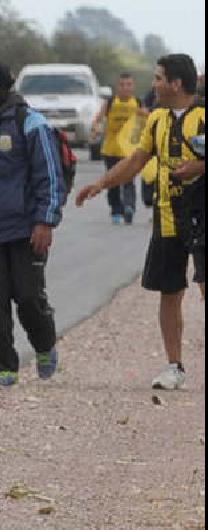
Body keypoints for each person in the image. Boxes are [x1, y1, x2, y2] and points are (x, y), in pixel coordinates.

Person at [76, 53, 205, 390]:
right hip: (166, 216)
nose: (155, 84)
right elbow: (136, 161)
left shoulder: (204, 115)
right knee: (169, 290)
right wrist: (101, 184)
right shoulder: (157, 119)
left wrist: (200, 167)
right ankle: (174, 366)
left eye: (159, 78)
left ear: (176, 84)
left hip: (202, 216)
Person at [0, 61, 66, 388]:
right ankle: (3, 369)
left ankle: (45, 345)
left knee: (29, 297)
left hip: (24, 231)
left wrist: (45, 221)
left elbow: (49, 176)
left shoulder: (30, 123)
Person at [90, 73, 146, 224]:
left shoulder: (138, 103)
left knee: (128, 179)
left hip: (129, 150)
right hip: (111, 149)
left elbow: (147, 121)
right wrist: (96, 129)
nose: (125, 88)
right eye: (122, 85)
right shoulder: (110, 103)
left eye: (128, 84)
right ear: (117, 87)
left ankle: (129, 207)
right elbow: (97, 120)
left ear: (133, 86)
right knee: (113, 181)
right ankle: (116, 209)